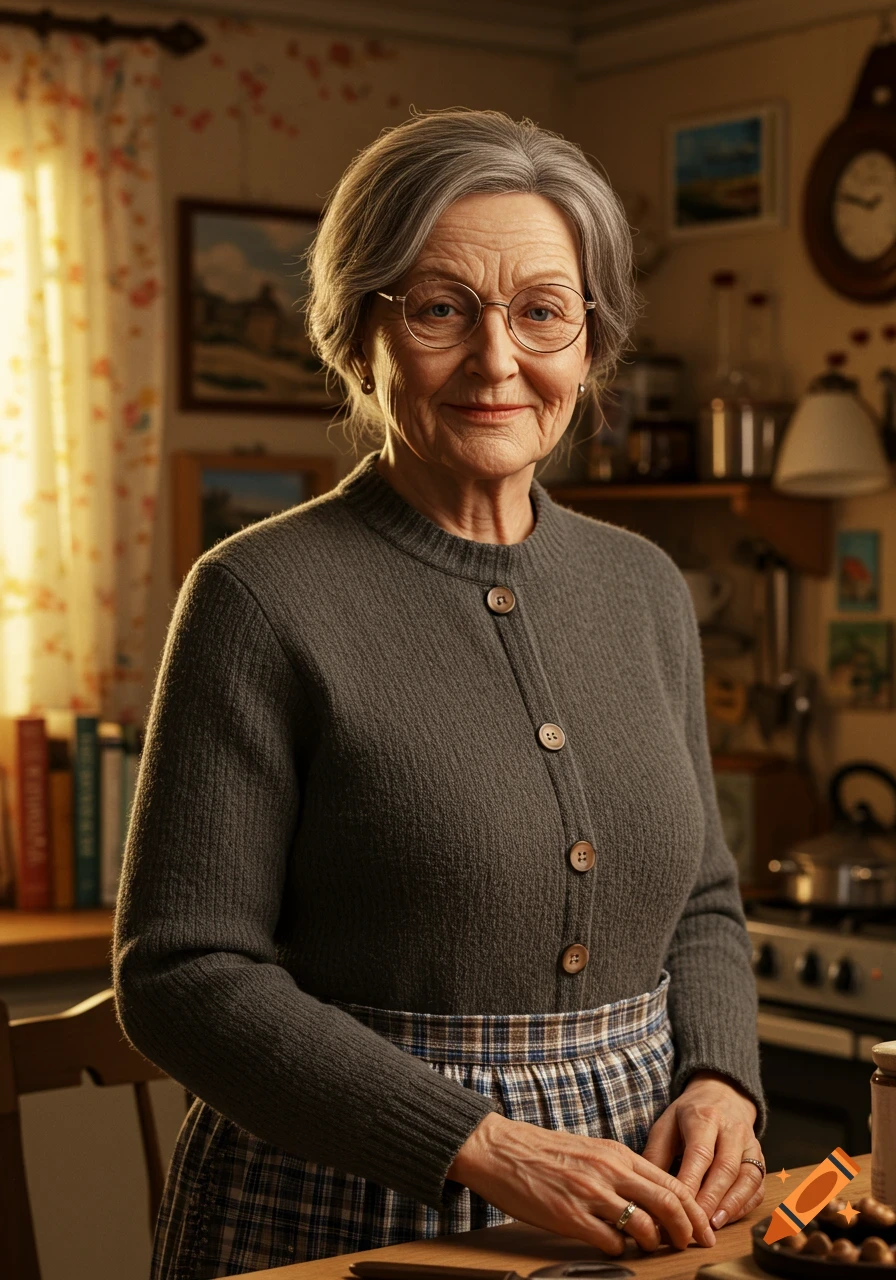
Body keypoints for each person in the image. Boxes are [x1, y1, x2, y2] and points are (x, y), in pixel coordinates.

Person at [113, 108, 767, 1280]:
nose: (496, 359)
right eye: (438, 308)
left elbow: (702, 900)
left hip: (637, 1204)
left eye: (542, 311)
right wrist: (482, 1142)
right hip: (344, 1200)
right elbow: (181, 974)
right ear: (355, 334)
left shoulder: (643, 586)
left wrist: (720, 1076)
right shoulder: (256, 595)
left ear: (590, 341)